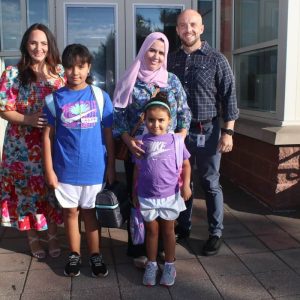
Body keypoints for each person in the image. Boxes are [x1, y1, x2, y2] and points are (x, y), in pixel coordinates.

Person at [113, 32, 191, 267]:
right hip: (139, 152)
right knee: (139, 201)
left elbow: (184, 112)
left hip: (168, 153)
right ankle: (140, 249)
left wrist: (180, 137)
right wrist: (127, 140)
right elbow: (117, 114)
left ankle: (163, 252)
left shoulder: (172, 81)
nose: (156, 56)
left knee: (167, 199)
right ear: (144, 50)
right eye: (152, 50)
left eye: (161, 52)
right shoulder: (131, 78)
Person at [168, 9, 239, 256]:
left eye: (193, 25)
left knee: (210, 182)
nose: (188, 29)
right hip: (180, 133)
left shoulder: (217, 59)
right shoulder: (171, 60)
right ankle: (183, 226)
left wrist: (228, 132)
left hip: (208, 130)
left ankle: (215, 232)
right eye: (183, 25)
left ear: (202, 28)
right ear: (177, 30)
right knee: (182, 181)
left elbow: (229, 96)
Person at [42, 44, 115, 277]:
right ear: (62, 68)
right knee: (70, 213)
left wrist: (111, 166)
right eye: (70, 67)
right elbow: (47, 137)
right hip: (65, 170)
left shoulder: (100, 97)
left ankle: (95, 254)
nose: (75, 72)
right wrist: (49, 170)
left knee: (90, 212)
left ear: (89, 67)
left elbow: (108, 136)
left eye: (81, 67)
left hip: (94, 169)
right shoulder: (54, 100)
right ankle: (74, 254)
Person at [0, 23, 65, 259]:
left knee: (50, 189)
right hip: (22, 148)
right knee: (26, 193)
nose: (39, 48)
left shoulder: (59, 73)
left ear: (50, 46)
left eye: (44, 43)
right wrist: (27, 118)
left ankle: (53, 235)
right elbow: (3, 108)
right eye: (34, 43)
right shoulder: (13, 73)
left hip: (53, 143)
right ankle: (33, 239)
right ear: (26, 45)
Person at [133, 95, 192, 286]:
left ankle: (169, 265)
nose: (155, 124)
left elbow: (186, 164)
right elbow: (137, 168)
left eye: (161, 120)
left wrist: (187, 185)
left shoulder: (176, 141)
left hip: (169, 195)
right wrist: (134, 192)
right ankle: (151, 264)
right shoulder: (141, 141)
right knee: (151, 231)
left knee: (168, 231)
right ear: (145, 119)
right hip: (146, 195)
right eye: (151, 120)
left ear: (169, 121)